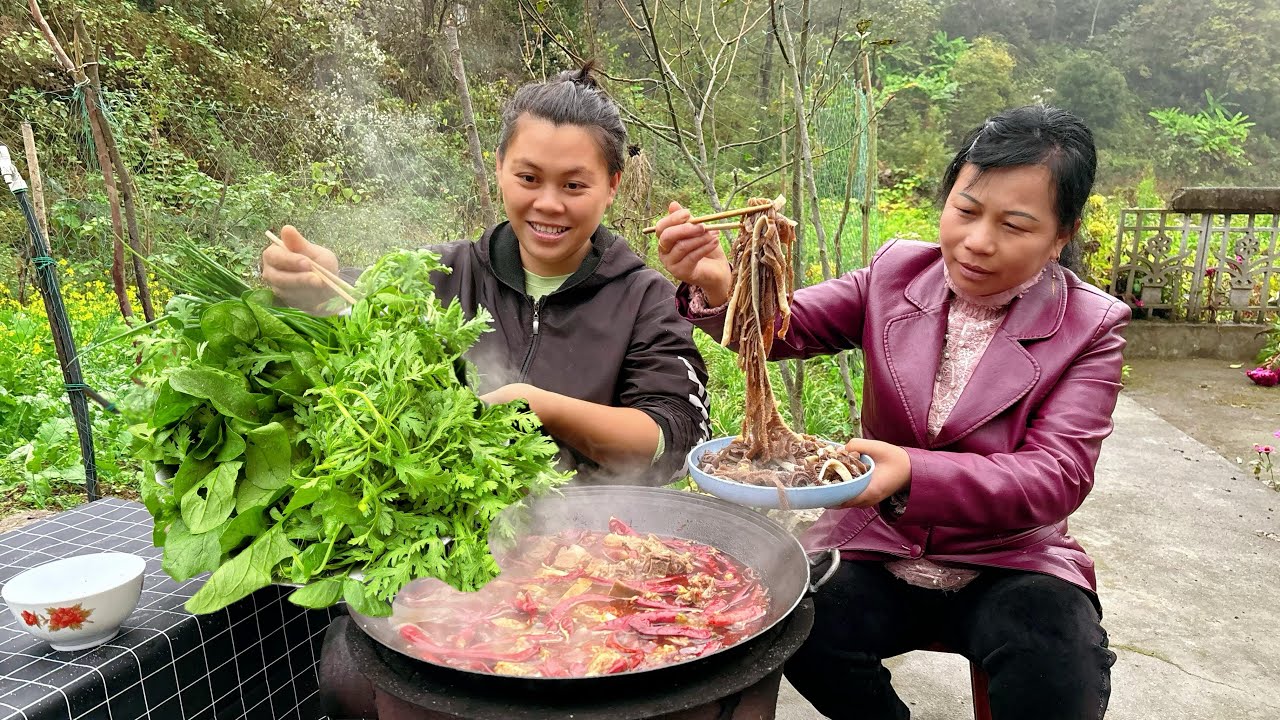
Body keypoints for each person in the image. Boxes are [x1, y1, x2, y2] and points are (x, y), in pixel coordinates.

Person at [654, 105, 1127, 719]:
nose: (978, 242)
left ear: (1062, 234)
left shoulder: (1092, 326)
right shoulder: (896, 273)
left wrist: (910, 471)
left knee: (1059, 661)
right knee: (791, 620)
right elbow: (780, 329)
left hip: (1009, 557)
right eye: (966, 210)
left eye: (1015, 224)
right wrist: (720, 286)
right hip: (882, 540)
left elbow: (1056, 476)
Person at [261, 64, 710, 485]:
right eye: (529, 178)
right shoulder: (436, 273)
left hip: (586, 543)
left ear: (612, 185)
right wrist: (308, 286)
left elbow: (677, 435)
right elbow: (347, 309)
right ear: (499, 168)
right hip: (440, 539)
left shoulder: (646, 299)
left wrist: (539, 406)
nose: (549, 204)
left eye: (574, 185)